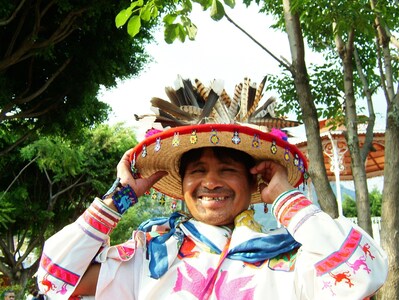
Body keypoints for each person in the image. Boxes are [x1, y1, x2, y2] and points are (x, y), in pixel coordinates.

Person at [36, 77, 388, 299]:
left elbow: (361, 274)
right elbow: (54, 279)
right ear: (184, 183)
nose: (210, 182)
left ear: (255, 180)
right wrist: (120, 198)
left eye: (227, 169)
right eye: (198, 170)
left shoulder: (290, 259)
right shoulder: (151, 256)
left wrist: (287, 200)